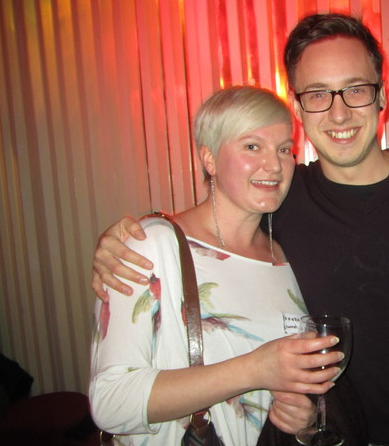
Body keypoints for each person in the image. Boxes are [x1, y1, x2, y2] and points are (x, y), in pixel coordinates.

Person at [90, 14, 389, 445]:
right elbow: (213, 219)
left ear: (381, 96)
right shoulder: (282, 198)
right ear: (298, 108)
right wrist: (133, 234)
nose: (339, 113)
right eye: (318, 94)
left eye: (355, 89)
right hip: (343, 435)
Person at [88, 86, 345, 446]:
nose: (274, 165)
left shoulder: (285, 258)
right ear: (209, 159)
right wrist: (254, 369)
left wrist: (299, 414)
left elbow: (274, 386)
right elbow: (111, 402)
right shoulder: (152, 245)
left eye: (284, 149)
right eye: (252, 146)